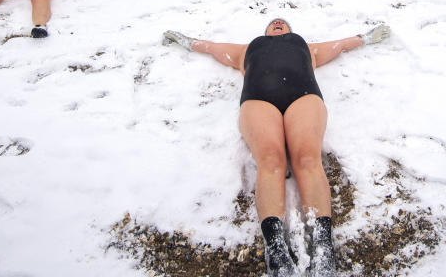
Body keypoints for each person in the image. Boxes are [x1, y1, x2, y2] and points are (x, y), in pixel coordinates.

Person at [162, 18, 391, 277]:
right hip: (259, 100)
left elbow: (339, 45)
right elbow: (214, 48)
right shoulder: (247, 49)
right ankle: (276, 249)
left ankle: (323, 246)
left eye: (282, 23)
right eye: (273, 23)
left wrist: (366, 37)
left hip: (303, 98)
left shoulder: (305, 46)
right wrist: (187, 42)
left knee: (307, 159)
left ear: (290, 30)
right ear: (267, 31)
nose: (278, 23)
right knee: (270, 160)